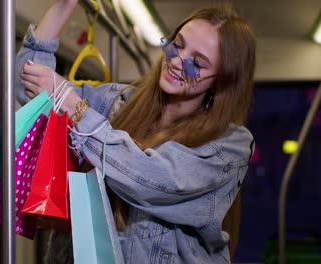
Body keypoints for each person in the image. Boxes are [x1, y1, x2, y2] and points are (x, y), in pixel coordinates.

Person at [16, 0, 256, 263]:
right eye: (178, 44)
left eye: (197, 63)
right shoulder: (116, 101)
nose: (177, 61)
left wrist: (73, 105)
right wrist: (63, 7)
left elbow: (151, 180)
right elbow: (29, 89)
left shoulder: (229, 145)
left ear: (221, 80)